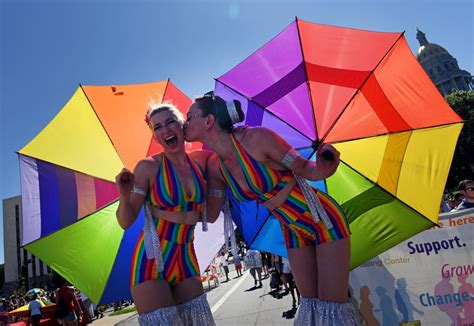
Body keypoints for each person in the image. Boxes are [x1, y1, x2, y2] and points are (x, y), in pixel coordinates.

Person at [184, 94, 357, 325]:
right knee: (312, 305)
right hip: (292, 229)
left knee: (332, 309)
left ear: (209, 121)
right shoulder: (216, 168)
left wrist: (326, 166)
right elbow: (211, 214)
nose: (184, 122)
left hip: (322, 219)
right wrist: (177, 199)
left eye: (189, 117)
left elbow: (307, 168)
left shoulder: (256, 138)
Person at [116, 103, 215, 325]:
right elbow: (126, 221)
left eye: (171, 122)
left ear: (182, 124)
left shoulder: (202, 161)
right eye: (157, 127)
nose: (166, 130)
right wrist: (124, 196)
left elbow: (212, 212)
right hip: (150, 260)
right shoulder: (147, 167)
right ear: (154, 135)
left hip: (186, 256)